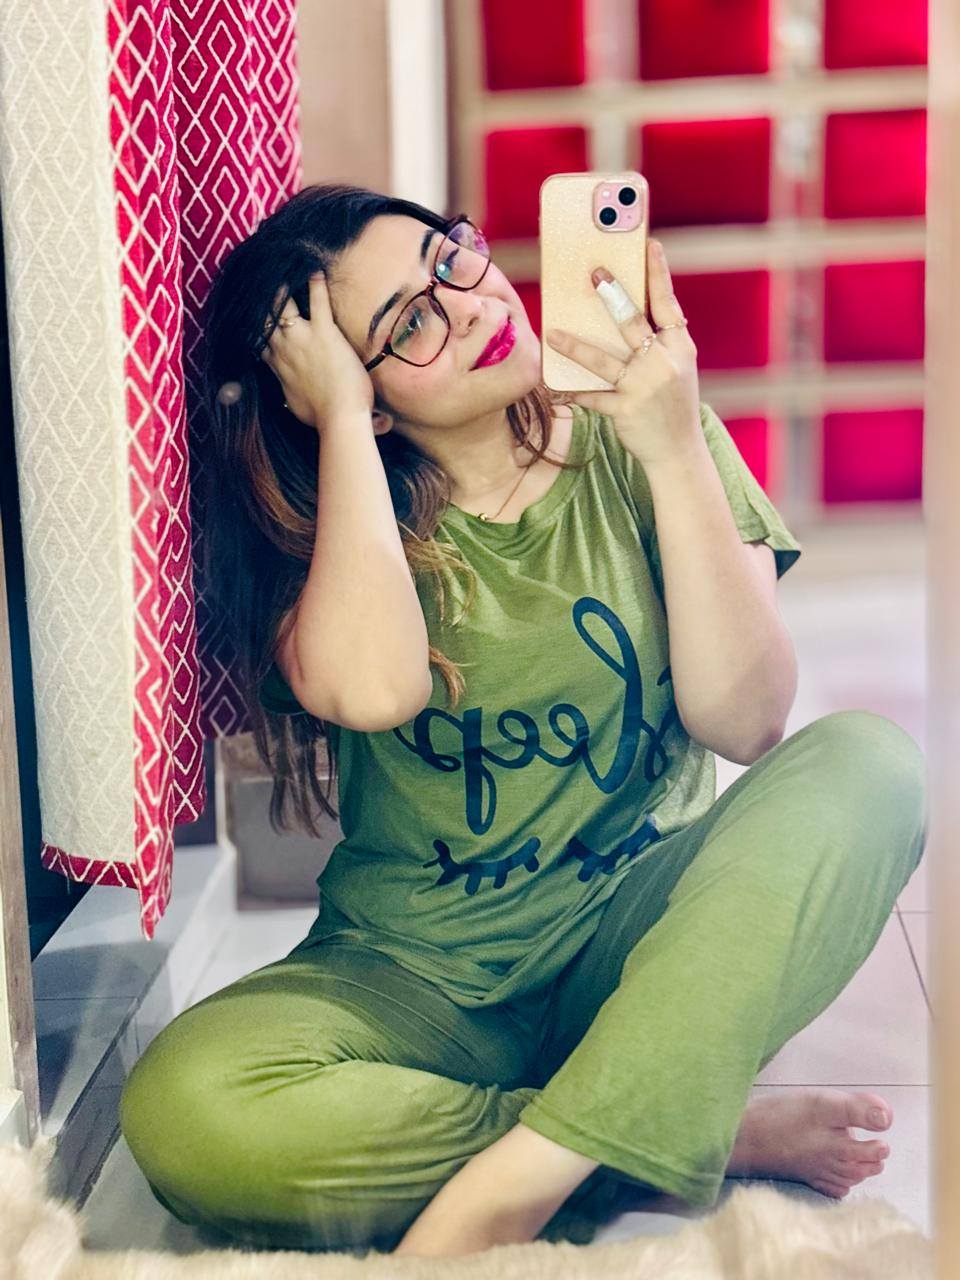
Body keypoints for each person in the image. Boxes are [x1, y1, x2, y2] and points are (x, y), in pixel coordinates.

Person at [118, 183, 927, 1259]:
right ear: (355, 392)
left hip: (640, 950)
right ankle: (656, 1124)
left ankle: (522, 1179)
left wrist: (673, 449)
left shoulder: (646, 438)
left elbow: (748, 720)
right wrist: (347, 427)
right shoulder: (335, 531)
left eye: (449, 258)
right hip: (415, 983)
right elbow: (376, 692)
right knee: (184, 1106)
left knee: (874, 764)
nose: (469, 305)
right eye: (407, 323)